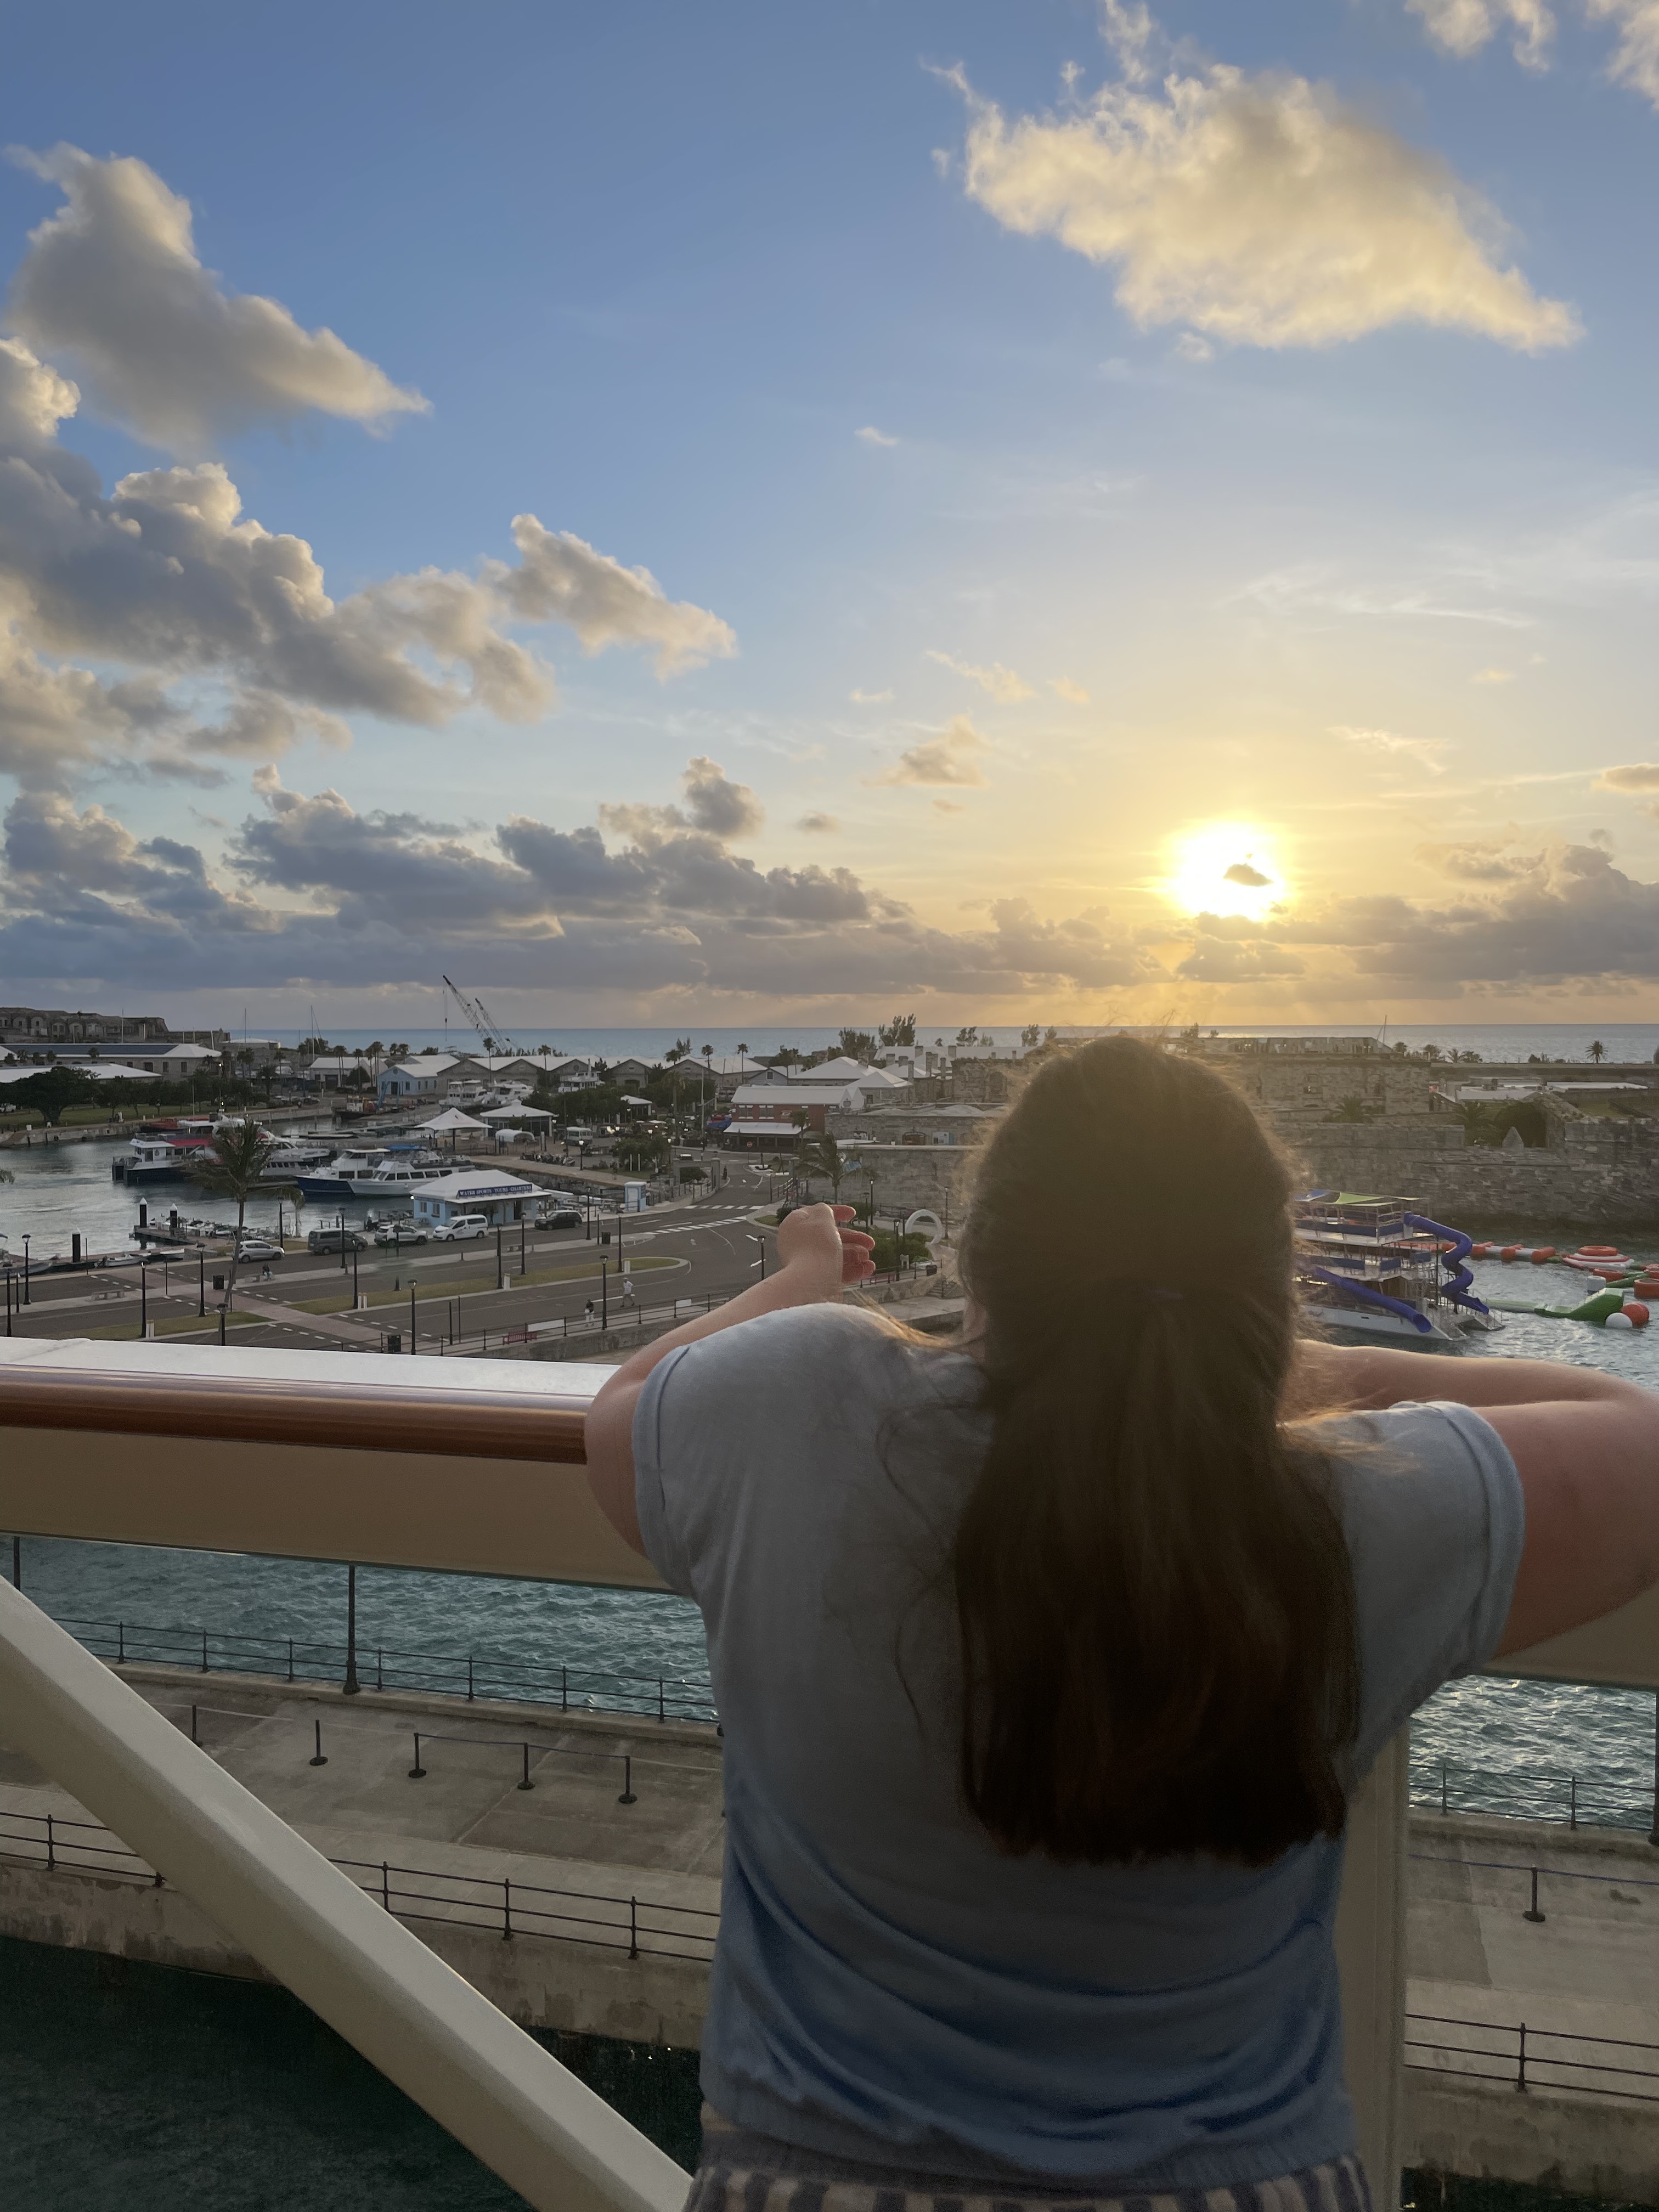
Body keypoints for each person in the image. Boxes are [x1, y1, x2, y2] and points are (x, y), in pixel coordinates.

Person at [585, 1037, 1659, 2210]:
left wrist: (801, 1271)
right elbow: (1631, 1432)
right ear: (1269, 1282)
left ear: (978, 1258)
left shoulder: (793, 1406)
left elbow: (621, 1413)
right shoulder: (1372, 1509)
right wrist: (1298, 1373)